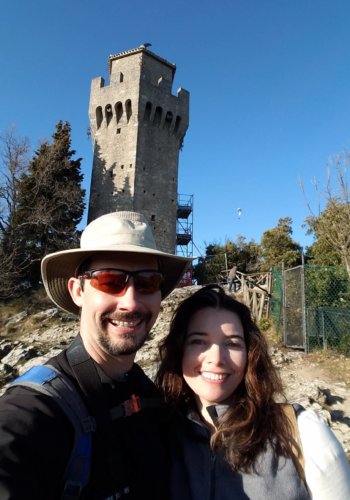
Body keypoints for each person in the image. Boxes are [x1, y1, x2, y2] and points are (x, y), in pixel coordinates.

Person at [0, 211, 192, 499]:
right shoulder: (34, 411)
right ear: (78, 291)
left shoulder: (149, 394)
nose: (130, 301)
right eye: (110, 281)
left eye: (148, 282)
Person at [156, 284, 350, 499]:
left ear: (251, 354)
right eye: (198, 342)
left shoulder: (303, 432)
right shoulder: (157, 434)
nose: (217, 358)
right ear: (180, 351)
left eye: (232, 344)